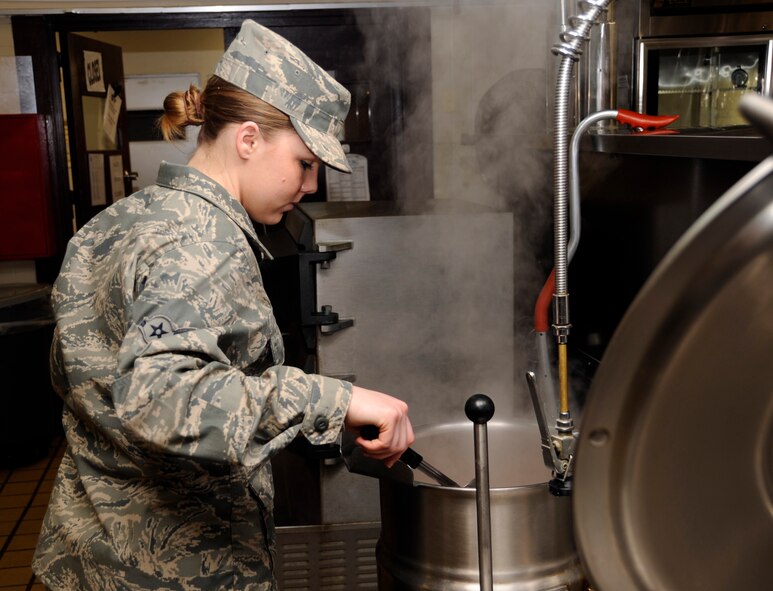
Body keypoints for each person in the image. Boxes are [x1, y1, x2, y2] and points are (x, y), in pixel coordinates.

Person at [33, 19, 414, 591]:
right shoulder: (204, 243)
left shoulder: (119, 220)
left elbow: (74, 373)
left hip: (88, 553)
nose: (310, 186)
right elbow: (159, 397)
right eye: (305, 163)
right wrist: (333, 398)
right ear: (248, 139)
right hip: (173, 568)